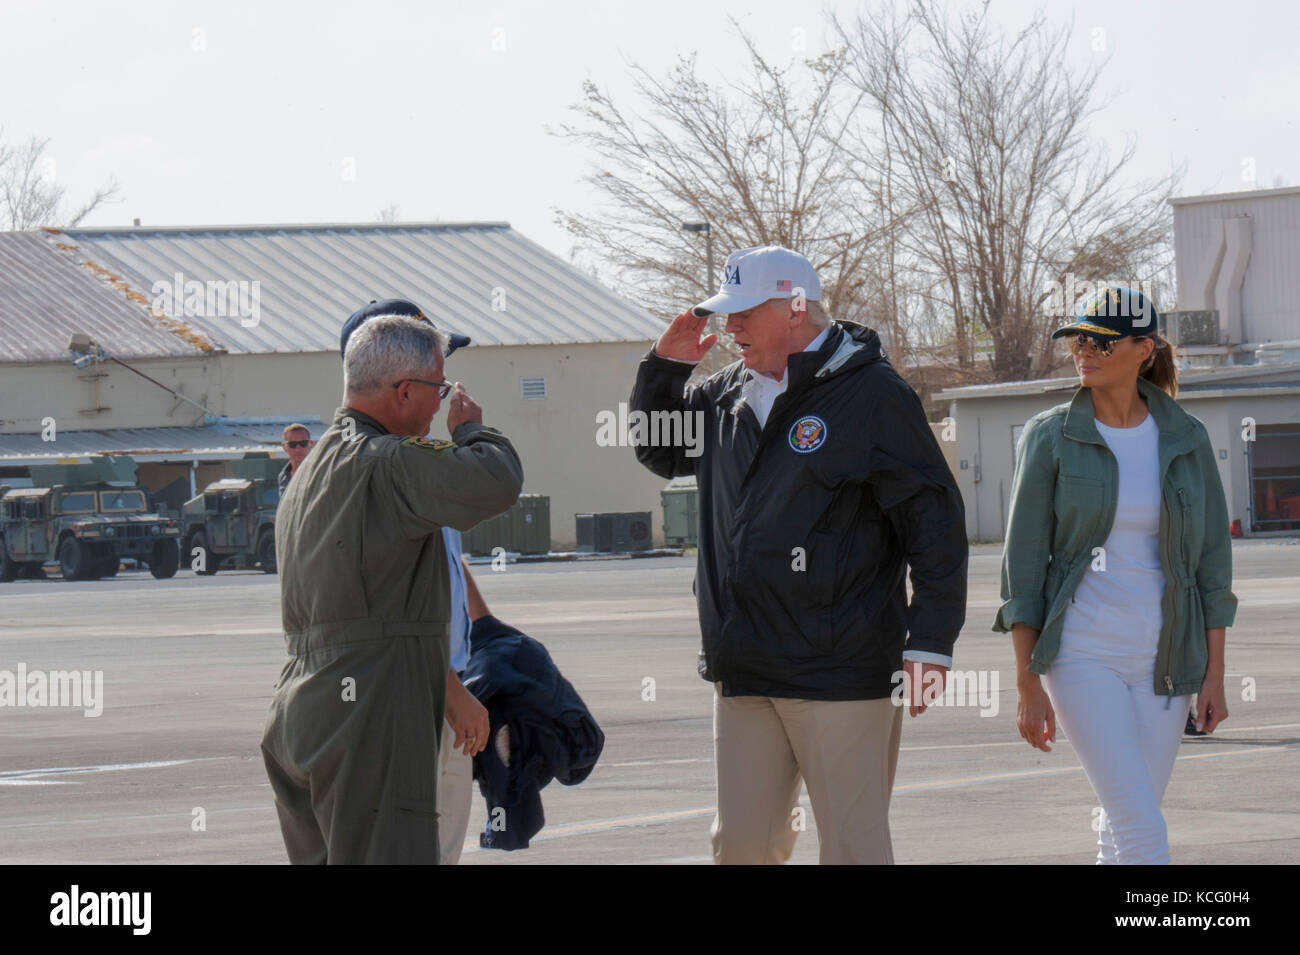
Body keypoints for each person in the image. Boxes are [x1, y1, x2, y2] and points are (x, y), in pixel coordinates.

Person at [630, 244, 968, 865]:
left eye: (742, 313)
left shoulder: (872, 394)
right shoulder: (727, 392)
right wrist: (663, 371)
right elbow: (661, 450)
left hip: (842, 671)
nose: (728, 327)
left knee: (852, 846)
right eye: (724, 314)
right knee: (743, 846)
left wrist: (930, 641)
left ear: (792, 308)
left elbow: (935, 522)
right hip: (746, 666)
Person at [260, 311, 523, 864]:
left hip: (302, 710)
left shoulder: (310, 468)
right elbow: (495, 480)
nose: (441, 403)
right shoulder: (386, 461)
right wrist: (472, 430)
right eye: (438, 388)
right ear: (404, 390)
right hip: (370, 717)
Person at [995, 286, 1236, 865]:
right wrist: (1028, 684)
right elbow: (1023, 567)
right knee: (1141, 828)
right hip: (1082, 654)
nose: (1086, 351)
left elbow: (1211, 566)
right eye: (1079, 339)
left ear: (1143, 349)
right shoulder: (1051, 436)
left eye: (1102, 341)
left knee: (1126, 822)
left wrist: (1215, 675)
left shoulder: (1186, 438)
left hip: (1168, 660)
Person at [333, 299, 486, 866]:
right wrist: (450, 691)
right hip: (413, 696)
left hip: (441, 684)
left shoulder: (412, 459)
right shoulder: (377, 467)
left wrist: (486, 629)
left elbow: (444, 564)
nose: (444, 391)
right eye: (435, 379)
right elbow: (380, 608)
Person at [277, 423, 315, 493]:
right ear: (284, 446)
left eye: (303, 443)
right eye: (292, 444)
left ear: (311, 444)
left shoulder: (320, 473)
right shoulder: (283, 476)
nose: (298, 448)